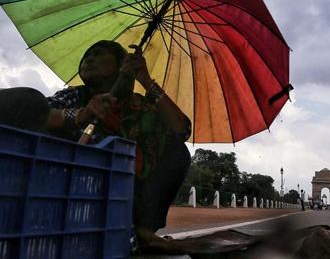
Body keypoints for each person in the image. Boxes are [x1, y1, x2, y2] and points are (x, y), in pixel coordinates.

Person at [0, 40, 191, 251]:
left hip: (121, 204)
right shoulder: (74, 96)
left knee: (177, 150)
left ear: (121, 65)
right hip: (63, 195)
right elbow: (38, 113)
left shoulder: (141, 107)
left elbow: (181, 129)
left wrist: (146, 81)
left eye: (99, 54)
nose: (89, 59)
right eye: (86, 56)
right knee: (28, 100)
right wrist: (81, 115)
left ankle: (143, 232)